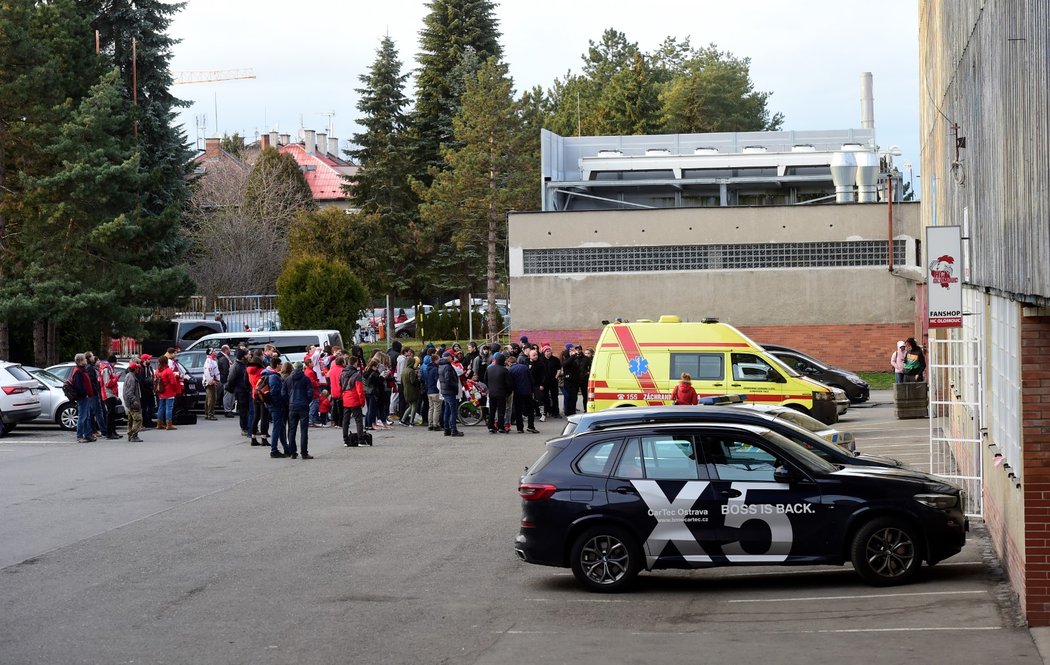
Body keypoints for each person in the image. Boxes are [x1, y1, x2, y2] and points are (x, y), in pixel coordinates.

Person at [285, 361, 315, 459]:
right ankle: (304, 452)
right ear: (302, 369)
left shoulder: (288, 379)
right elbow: (310, 391)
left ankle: (293, 452)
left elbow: (283, 393)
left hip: (292, 406)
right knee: (303, 430)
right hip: (303, 406)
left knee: (291, 430)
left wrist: (288, 402)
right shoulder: (305, 379)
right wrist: (307, 400)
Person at [341, 356, 366, 446]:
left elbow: (341, 385)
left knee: (346, 420)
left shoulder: (343, 373)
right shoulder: (357, 375)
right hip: (354, 399)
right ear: (355, 363)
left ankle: (345, 440)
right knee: (358, 420)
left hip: (346, 398)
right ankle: (361, 440)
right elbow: (360, 390)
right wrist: (362, 401)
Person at [510, 352, 537, 433]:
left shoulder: (510, 370)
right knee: (530, 410)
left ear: (510, 362)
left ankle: (520, 428)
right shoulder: (525, 368)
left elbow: (510, 383)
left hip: (517, 393)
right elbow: (531, 380)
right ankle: (531, 426)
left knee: (518, 410)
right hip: (527, 392)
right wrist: (532, 390)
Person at [70, 353, 95, 443]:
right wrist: (85, 393)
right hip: (83, 397)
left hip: (86, 396)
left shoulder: (82, 370)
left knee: (87, 416)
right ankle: (79, 436)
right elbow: (79, 386)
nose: (86, 360)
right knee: (82, 417)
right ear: (80, 361)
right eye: (84, 359)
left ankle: (87, 434)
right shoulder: (78, 371)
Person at [226, 349, 251, 437]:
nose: (249, 355)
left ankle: (249, 427)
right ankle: (244, 428)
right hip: (241, 391)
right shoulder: (236, 366)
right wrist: (232, 389)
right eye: (247, 354)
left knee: (248, 410)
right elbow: (231, 379)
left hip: (246, 391)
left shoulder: (244, 364)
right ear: (243, 356)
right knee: (243, 411)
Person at [438, 352, 464, 437]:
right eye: (450, 356)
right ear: (447, 357)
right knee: (453, 411)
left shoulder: (441, 366)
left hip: (445, 391)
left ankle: (447, 429)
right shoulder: (448, 367)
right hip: (450, 391)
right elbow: (448, 379)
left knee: (447, 410)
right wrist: (455, 385)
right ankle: (453, 429)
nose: (452, 358)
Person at [485, 352, 512, 434]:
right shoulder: (504, 370)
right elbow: (508, 383)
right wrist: (508, 392)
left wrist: (490, 387)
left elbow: (485, 380)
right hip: (501, 393)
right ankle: (501, 427)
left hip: (492, 392)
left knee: (492, 410)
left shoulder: (489, 369)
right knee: (501, 410)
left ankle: (491, 426)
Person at [99, 354, 122, 439]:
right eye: (115, 363)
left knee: (112, 414)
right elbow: (107, 383)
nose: (115, 365)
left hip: (111, 394)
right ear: (112, 362)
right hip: (108, 394)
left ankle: (113, 431)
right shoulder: (106, 370)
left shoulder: (109, 369)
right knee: (110, 414)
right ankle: (109, 433)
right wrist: (116, 377)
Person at [154, 356, 179, 430]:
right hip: (169, 392)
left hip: (161, 391)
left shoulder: (157, 371)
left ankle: (159, 423)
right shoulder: (168, 371)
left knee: (161, 407)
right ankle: (169, 424)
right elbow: (173, 382)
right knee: (169, 408)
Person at [123, 360, 144, 442]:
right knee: (138, 419)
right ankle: (133, 435)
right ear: (135, 369)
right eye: (138, 368)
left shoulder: (129, 375)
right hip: (132, 402)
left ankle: (130, 434)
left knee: (131, 419)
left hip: (129, 402)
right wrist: (134, 400)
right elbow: (129, 392)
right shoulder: (131, 378)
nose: (139, 370)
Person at [422, 354, 441, 431]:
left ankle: (430, 424)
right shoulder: (435, 369)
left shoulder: (428, 369)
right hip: (435, 391)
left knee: (431, 408)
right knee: (437, 408)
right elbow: (438, 380)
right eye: (438, 360)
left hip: (429, 390)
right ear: (435, 360)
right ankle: (435, 424)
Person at [400, 356, 421, 427]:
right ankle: (411, 421)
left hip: (406, 390)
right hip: (412, 390)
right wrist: (417, 379)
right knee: (414, 406)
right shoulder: (411, 371)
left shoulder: (404, 370)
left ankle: (403, 419)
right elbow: (413, 381)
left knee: (410, 406)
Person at [203, 349, 220, 420]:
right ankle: (210, 414)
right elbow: (208, 371)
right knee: (211, 398)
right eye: (214, 351)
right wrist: (211, 380)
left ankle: (208, 413)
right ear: (210, 353)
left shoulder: (212, 361)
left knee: (209, 398)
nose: (215, 352)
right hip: (210, 382)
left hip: (212, 381)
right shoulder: (209, 361)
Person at [217, 345, 233, 417]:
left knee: (229, 395)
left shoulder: (224, 358)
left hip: (226, 379)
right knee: (227, 395)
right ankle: (227, 410)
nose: (230, 351)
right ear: (226, 350)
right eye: (229, 349)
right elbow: (225, 370)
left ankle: (228, 409)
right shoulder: (223, 359)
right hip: (226, 379)